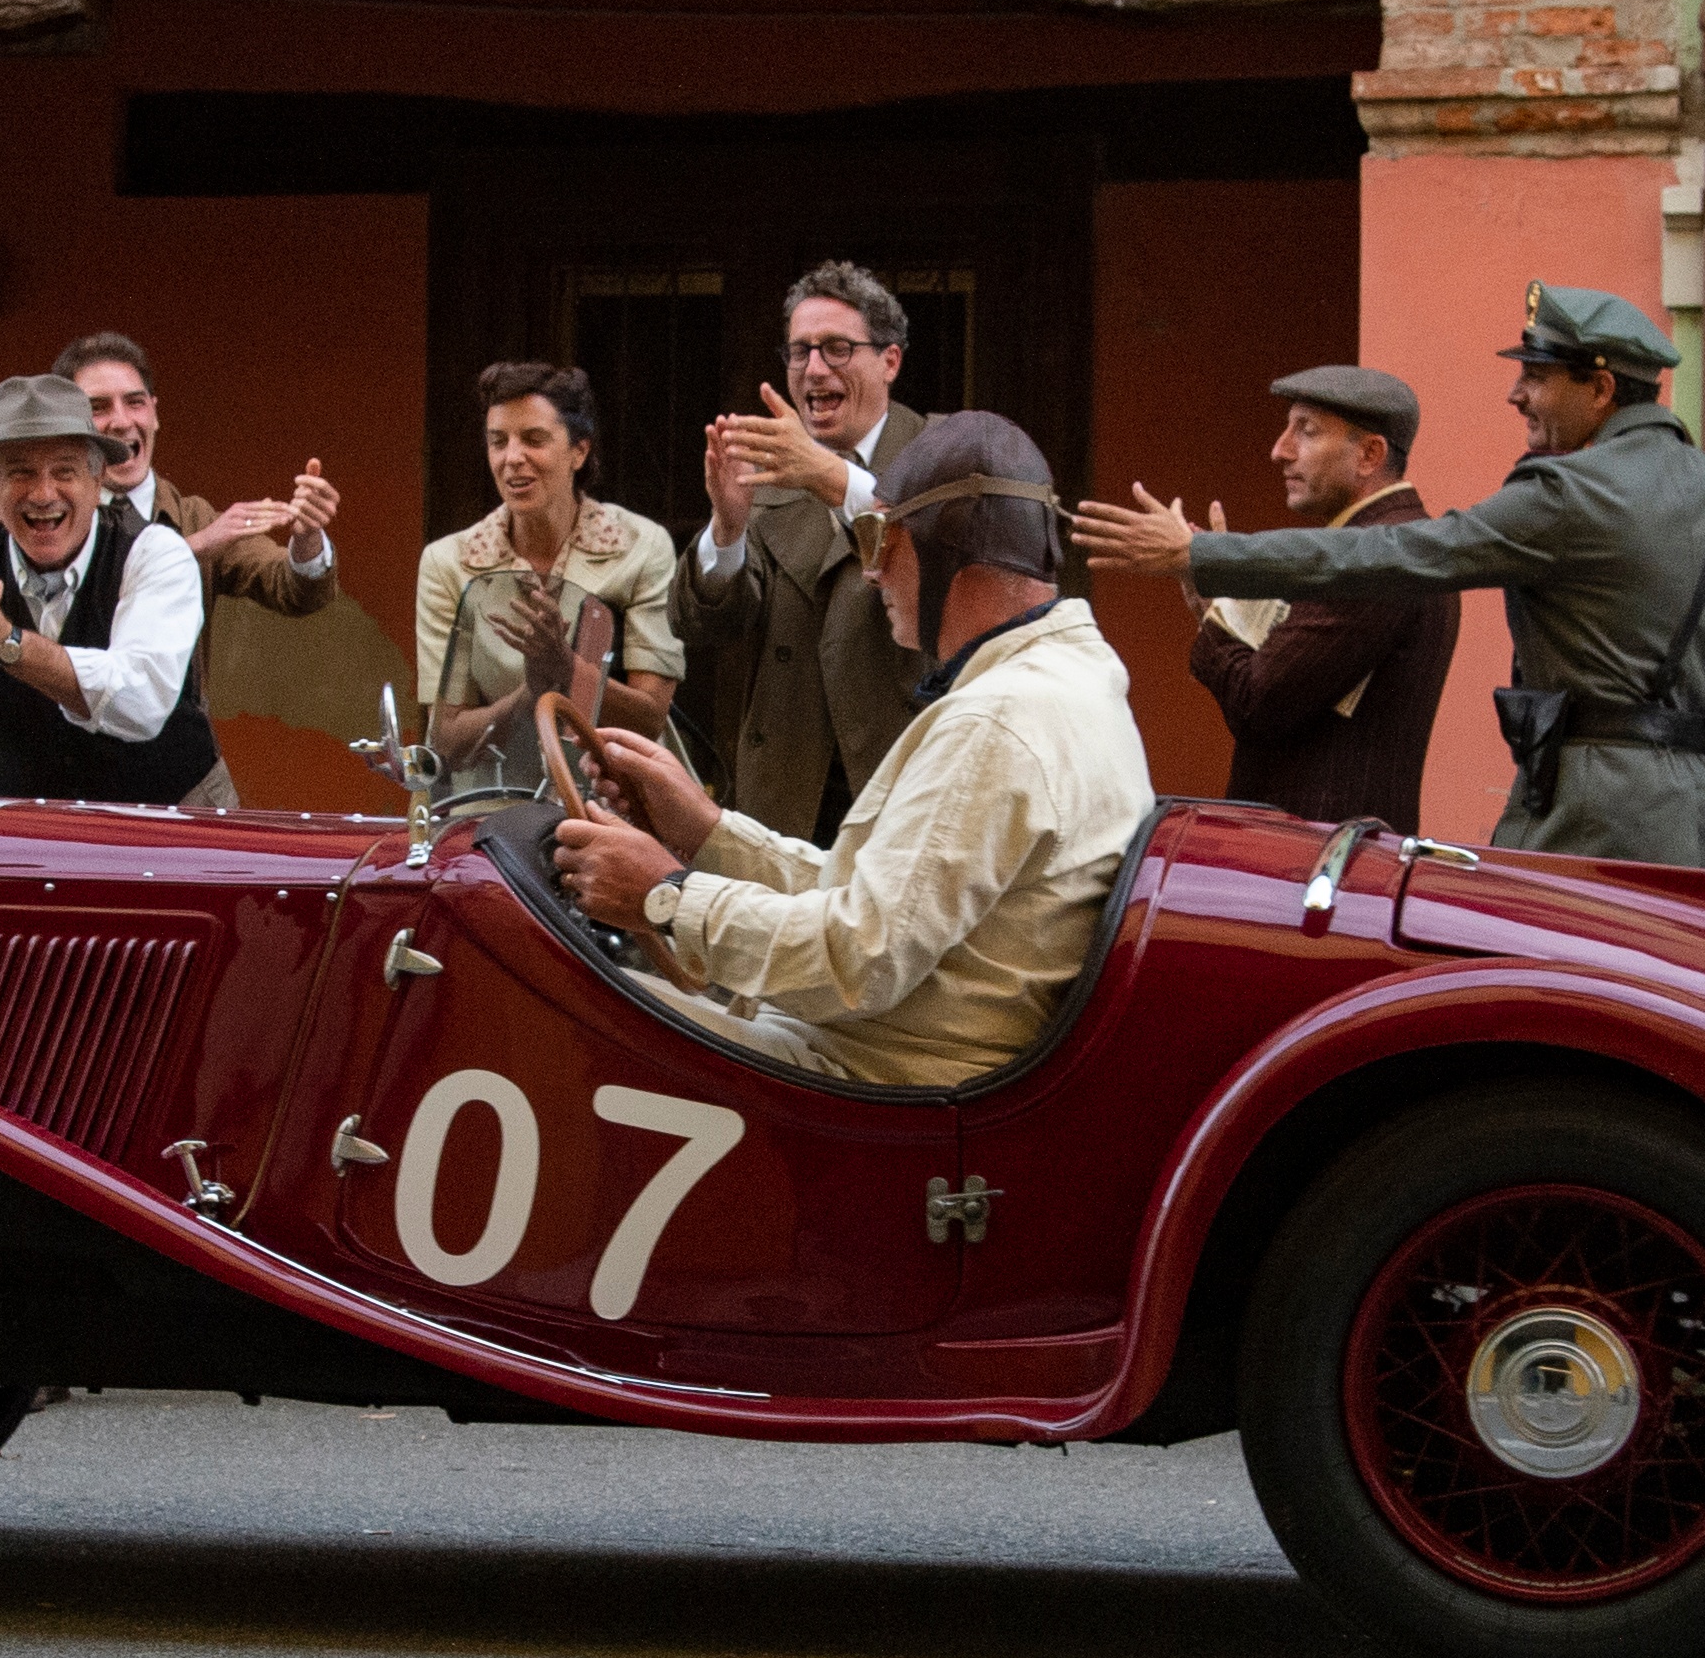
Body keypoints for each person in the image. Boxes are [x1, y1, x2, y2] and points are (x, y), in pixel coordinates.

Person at [1075, 282, 1705, 870]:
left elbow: (1397, 552)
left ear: (1600, 388)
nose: (1517, 397)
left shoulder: (1566, 495)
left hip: (1586, 818)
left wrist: (1202, 555)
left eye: (1535, 377)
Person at [547, 413, 1154, 1090]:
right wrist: (708, 831)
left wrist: (665, 896)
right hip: (895, 1051)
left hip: (879, 1082)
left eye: (878, 536)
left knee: (560, 1003)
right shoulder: (1064, 680)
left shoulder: (1000, 720)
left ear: (948, 551)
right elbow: (881, 900)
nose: (871, 572)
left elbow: (861, 957)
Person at [0, 373, 228, 808]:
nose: (43, 494)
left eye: (64, 472)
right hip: (38, 830)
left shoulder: (155, 552)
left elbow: (140, 705)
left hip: (175, 814)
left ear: (98, 484)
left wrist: (7, 644)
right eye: (20, 472)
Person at [680, 261, 929, 845]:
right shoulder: (773, 474)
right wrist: (728, 529)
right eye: (800, 352)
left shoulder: (939, 450)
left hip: (900, 790)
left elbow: (939, 552)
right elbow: (710, 623)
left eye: (838, 348)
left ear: (890, 360)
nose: (814, 369)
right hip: (785, 798)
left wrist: (835, 479)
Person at [1181, 363, 1457, 831]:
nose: (1279, 451)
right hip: (1335, 859)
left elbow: (1259, 704)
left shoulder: (1372, 556)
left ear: (1370, 455)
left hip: (1322, 866)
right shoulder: (1396, 540)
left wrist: (1215, 621)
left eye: (1305, 432)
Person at [413, 359, 681, 792]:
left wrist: (565, 668)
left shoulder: (640, 546)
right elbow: (446, 740)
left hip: (612, 807)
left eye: (534, 439)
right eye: (498, 442)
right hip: (492, 815)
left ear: (580, 450)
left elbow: (649, 719)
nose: (512, 459)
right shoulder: (450, 562)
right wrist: (530, 693)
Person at [53, 332, 342, 619]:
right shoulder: (46, 514)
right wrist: (195, 546)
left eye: (135, 402)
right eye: (98, 407)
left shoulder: (194, 518)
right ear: (67, 427)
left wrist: (308, 538)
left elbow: (293, 591)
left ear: (154, 414)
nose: (122, 421)